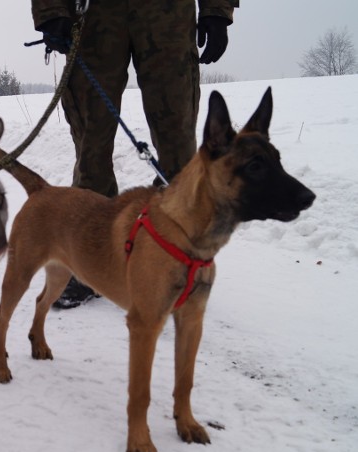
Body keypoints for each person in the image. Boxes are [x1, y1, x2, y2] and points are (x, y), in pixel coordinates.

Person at [32, 0, 239, 308]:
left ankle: (180, 259)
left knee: (178, 142)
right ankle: (92, 263)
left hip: (168, 14)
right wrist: (51, 11)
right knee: (91, 145)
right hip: (95, 14)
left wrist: (217, 10)